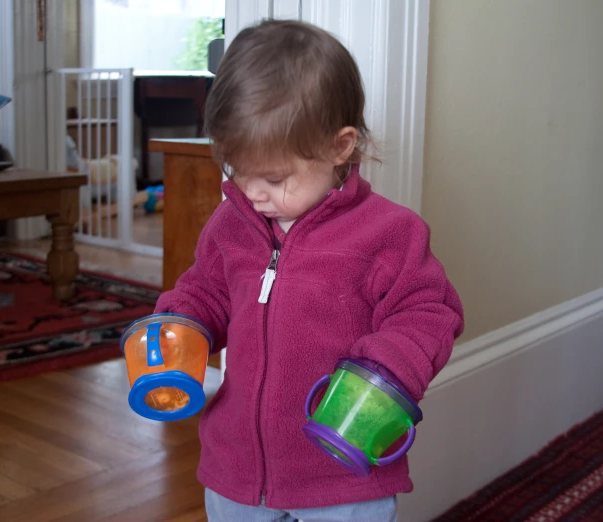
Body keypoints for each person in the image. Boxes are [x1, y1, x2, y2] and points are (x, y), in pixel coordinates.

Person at [154, 19, 464, 522]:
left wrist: (386, 369)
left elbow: (430, 311)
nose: (253, 193)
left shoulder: (388, 233)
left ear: (340, 147)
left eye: (273, 178)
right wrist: (180, 325)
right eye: (238, 170)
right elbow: (206, 291)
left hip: (343, 470)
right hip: (237, 467)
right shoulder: (232, 223)